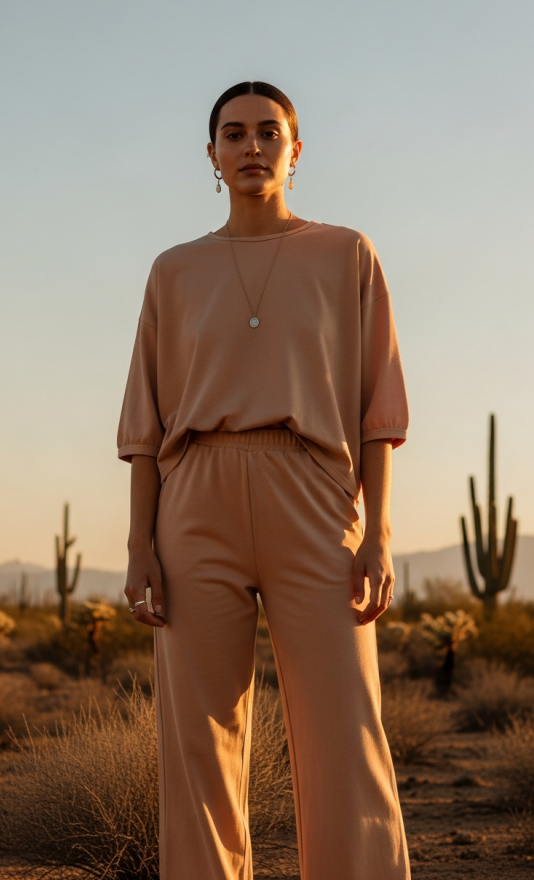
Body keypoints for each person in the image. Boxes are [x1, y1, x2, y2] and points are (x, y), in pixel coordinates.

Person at [118, 80, 411, 880]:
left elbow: (378, 410)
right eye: (234, 134)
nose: (252, 146)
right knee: (196, 746)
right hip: (193, 497)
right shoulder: (173, 271)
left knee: (343, 729)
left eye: (268, 132)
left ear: (295, 148)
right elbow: (144, 426)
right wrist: (139, 545)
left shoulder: (346, 252)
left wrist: (377, 534)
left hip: (313, 492)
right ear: (211, 156)